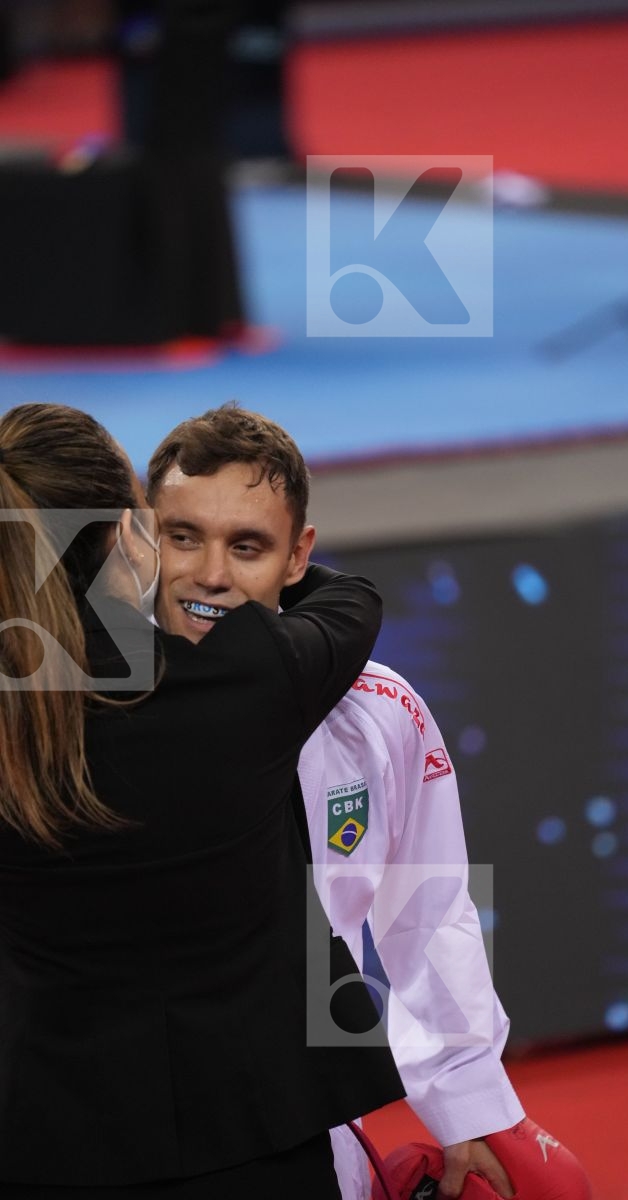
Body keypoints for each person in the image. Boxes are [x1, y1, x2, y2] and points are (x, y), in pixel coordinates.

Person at [0, 402, 404, 1198]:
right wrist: (267, 568)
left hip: (44, 1144)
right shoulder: (250, 675)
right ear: (131, 534)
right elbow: (352, 603)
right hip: (254, 1135)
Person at [147, 404, 537, 1200]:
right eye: (182, 536)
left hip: (293, 1124)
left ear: (299, 556)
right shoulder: (72, 711)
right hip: (103, 1120)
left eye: (246, 546)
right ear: (139, 539)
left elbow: (426, 911)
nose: (210, 574)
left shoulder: (378, 712)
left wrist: (467, 1105)